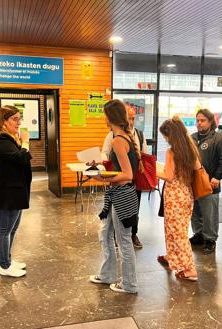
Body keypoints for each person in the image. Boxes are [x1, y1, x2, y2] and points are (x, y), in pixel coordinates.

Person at [89, 99, 141, 294]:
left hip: (122, 195)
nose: (104, 118)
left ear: (110, 117)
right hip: (120, 194)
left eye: (105, 114)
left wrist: (104, 179)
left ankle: (129, 284)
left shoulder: (118, 141)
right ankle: (107, 275)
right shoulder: (123, 138)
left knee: (124, 240)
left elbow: (127, 174)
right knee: (105, 234)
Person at [0, 105, 32, 277]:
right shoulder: (1, 140)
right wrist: (26, 142)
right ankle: (4, 266)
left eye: (19, 118)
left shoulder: (9, 138)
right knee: (4, 230)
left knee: (11, 229)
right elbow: (20, 159)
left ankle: (8, 260)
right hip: (6, 193)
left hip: (14, 191)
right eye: (14, 119)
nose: (18, 123)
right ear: (3, 121)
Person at [156, 116, 200, 281]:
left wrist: (151, 170)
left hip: (174, 196)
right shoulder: (190, 148)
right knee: (179, 230)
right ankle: (172, 258)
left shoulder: (171, 151)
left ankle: (190, 270)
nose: (165, 139)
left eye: (165, 136)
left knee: (177, 233)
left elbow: (168, 176)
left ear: (171, 135)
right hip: (187, 194)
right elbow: (197, 168)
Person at [100, 106, 147, 249]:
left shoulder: (122, 139)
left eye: (133, 118)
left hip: (125, 187)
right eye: (129, 118)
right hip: (125, 186)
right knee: (116, 234)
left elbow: (129, 171)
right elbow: (105, 154)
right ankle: (108, 271)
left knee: (124, 238)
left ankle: (133, 234)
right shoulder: (116, 137)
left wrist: (104, 178)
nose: (131, 121)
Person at [189, 109, 222, 254]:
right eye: (197, 120)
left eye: (202, 120)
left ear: (210, 122)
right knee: (195, 212)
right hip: (193, 183)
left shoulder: (218, 139)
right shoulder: (192, 138)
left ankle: (210, 239)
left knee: (209, 213)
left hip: (210, 184)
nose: (199, 123)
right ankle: (199, 234)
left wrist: (217, 177)